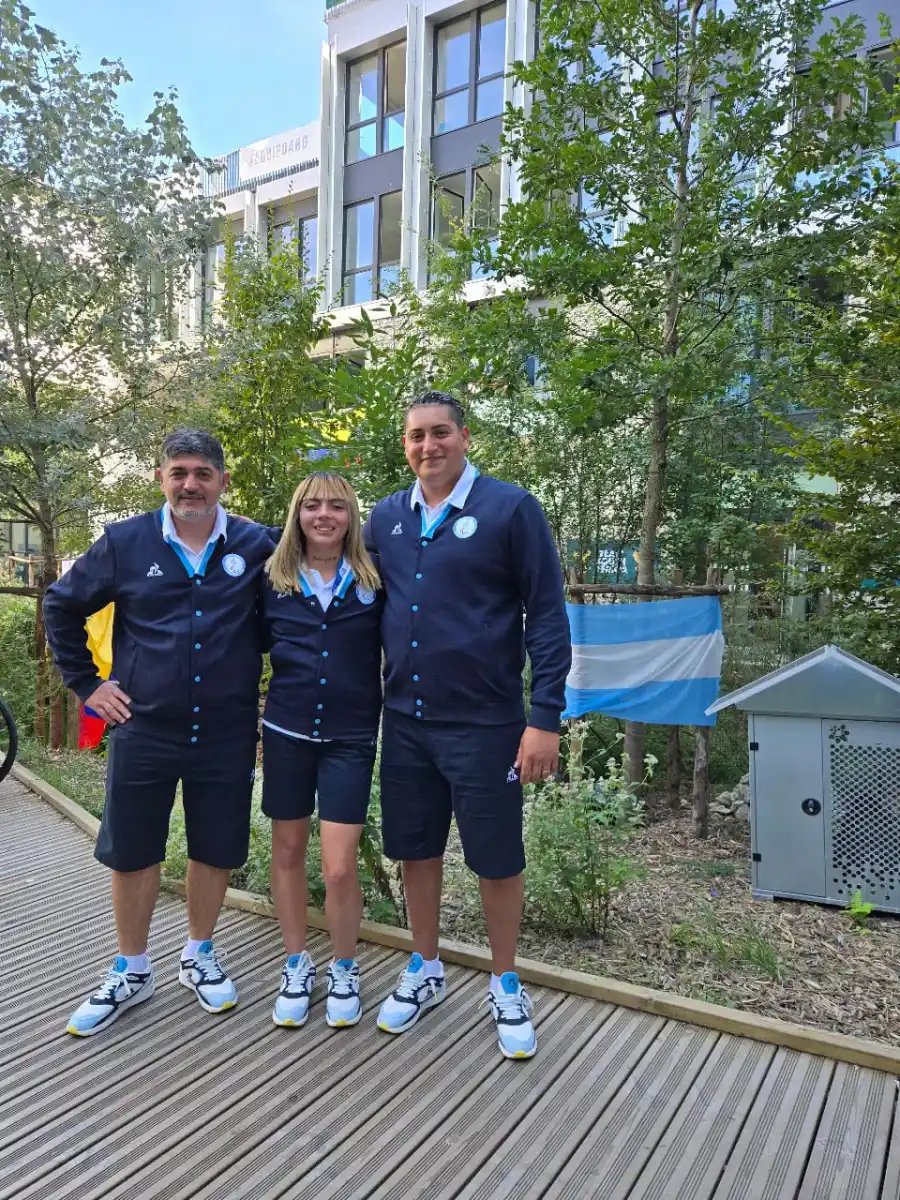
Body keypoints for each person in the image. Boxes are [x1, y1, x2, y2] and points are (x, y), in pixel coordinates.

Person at [43, 429, 276, 1037]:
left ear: (223, 480)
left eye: (203, 472)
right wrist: (88, 685)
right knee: (132, 847)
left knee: (216, 845)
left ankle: (199, 954)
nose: (190, 484)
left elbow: (302, 603)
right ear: (161, 478)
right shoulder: (125, 542)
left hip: (225, 731)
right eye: (179, 472)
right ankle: (133, 966)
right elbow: (60, 606)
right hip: (143, 726)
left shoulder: (256, 545)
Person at [365, 390, 571, 1060]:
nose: (428, 446)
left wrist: (545, 718)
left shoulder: (510, 509)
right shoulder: (387, 519)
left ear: (465, 436)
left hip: (487, 725)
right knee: (415, 850)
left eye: (441, 433)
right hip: (406, 722)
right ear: (405, 444)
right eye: (416, 436)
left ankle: (505, 981)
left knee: (496, 857)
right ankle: (424, 967)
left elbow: (545, 617)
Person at [260, 473, 383, 1030]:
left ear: (352, 515)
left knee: (337, 867)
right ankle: (295, 962)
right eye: (312, 506)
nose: (324, 515)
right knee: (286, 852)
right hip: (286, 734)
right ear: (297, 515)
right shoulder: (272, 580)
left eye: (337, 505)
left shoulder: (375, 580)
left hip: (350, 739)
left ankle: (344, 966)